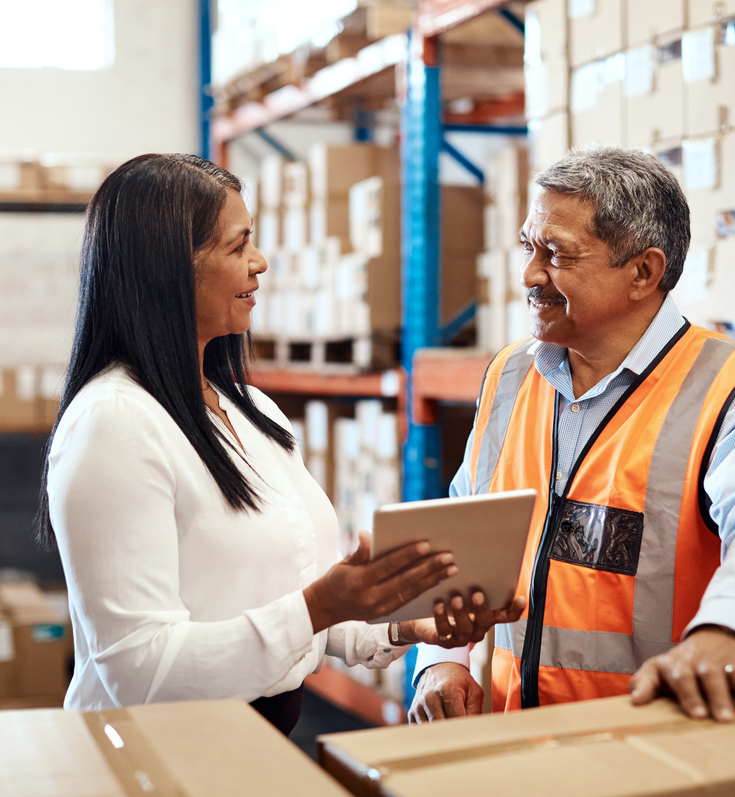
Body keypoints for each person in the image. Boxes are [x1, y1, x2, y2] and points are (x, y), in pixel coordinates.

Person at [35, 154, 522, 734]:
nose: (260, 263)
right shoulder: (113, 424)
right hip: (149, 753)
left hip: (252, 742)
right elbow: (138, 672)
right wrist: (321, 606)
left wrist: (403, 625)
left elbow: (289, 592)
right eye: (238, 246)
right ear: (167, 269)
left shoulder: (250, 410)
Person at [409, 146, 735, 723]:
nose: (529, 275)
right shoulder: (510, 375)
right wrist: (442, 658)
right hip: (514, 737)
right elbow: (467, 526)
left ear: (643, 272)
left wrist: (725, 632)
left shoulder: (733, 390)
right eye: (529, 247)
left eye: (557, 254)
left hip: (654, 740)